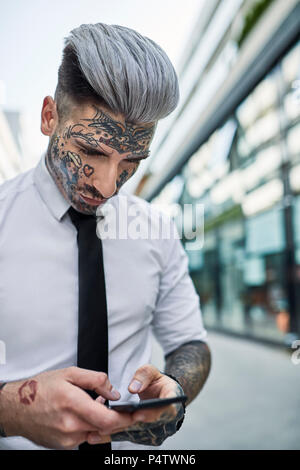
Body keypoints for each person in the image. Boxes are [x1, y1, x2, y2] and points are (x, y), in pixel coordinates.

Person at [0, 22, 211, 451]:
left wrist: (175, 389)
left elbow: (190, 341)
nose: (109, 186)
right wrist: (11, 412)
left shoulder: (157, 230)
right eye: (91, 151)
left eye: (131, 160)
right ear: (48, 117)